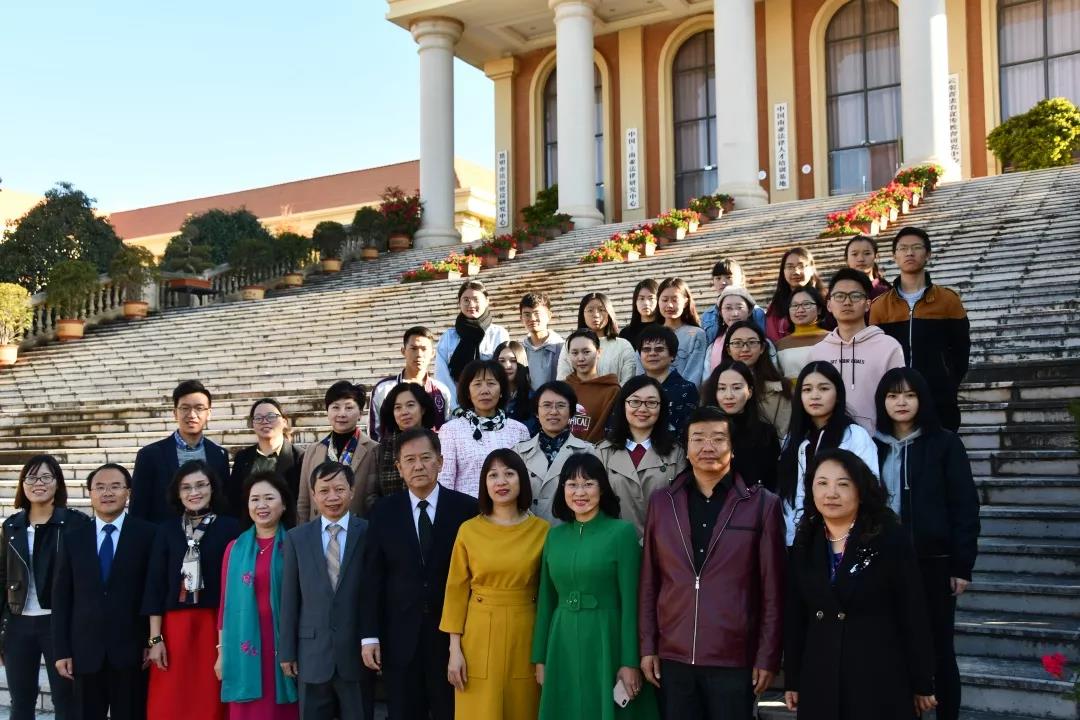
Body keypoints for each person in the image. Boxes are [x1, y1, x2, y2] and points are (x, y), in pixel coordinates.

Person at [639, 407, 785, 718]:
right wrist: (648, 645)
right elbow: (650, 582)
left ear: (732, 448)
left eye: (718, 439)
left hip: (734, 657)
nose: (708, 446)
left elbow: (773, 590)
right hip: (673, 656)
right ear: (686, 448)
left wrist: (768, 655)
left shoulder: (762, 505)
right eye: (698, 439)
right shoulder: (663, 503)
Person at [783, 449, 936, 720]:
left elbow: (913, 611)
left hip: (877, 675)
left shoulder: (889, 538)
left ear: (861, 491)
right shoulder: (806, 541)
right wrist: (793, 678)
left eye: (843, 484)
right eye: (822, 483)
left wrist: (922, 680)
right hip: (821, 674)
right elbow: (796, 617)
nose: (831, 493)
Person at [874, 367, 981, 720]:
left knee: (939, 650)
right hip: (885, 564)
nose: (901, 402)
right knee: (894, 647)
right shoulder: (871, 445)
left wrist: (961, 564)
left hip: (934, 562)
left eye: (909, 395)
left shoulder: (945, 444)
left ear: (922, 399)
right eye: (892, 396)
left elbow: (964, 505)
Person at [361, 428, 478, 720]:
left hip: (453, 639)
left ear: (440, 461)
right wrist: (369, 636)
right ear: (399, 467)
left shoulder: (466, 509)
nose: (418, 466)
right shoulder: (383, 512)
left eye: (425, 458)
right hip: (399, 637)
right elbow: (372, 578)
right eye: (409, 460)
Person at [531, 454, 658, 720]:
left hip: (607, 640)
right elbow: (546, 600)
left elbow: (632, 603)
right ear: (562, 490)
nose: (580, 492)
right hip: (562, 642)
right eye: (572, 484)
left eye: (588, 484)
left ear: (602, 488)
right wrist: (540, 658)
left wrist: (629, 661)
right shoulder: (554, 536)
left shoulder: (622, 533)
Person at [440, 449, 549, 720]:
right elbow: (455, 593)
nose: (501, 481)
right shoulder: (469, 530)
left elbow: (548, 594)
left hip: (526, 634)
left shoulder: (542, 531)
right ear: (484, 483)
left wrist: (544, 654)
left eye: (509, 474)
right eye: (493, 475)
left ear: (522, 479)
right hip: (477, 635)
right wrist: (454, 651)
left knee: (523, 709)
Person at [53, 463, 157, 720]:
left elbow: (152, 591)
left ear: (128, 492)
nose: (107, 493)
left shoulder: (148, 534)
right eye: (99, 487)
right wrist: (62, 650)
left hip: (132, 652)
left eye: (115, 486)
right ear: (90, 493)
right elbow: (62, 597)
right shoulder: (73, 538)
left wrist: (151, 640)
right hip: (85, 652)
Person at [143, 461, 241, 720]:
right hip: (174, 628)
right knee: (170, 700)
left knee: (210, 698)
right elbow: (155, 585)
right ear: (177, 493)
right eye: (186, 487)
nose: (194, 492)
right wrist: (155, 640)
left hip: (216, 625)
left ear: (212, 488)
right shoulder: (166, 530)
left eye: (200, 485)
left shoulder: (232, 528)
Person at [279, 462, 370, 720]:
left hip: (356, 653)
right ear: (313, 494)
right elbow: (290, 599)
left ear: (352, 491)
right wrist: (286, 651)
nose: (332, 497)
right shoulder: (297, 538)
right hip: (311, 654)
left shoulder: (367, 532)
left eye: (339, 489)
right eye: (324, 490)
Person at [0, 455, 88, 720]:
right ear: (22, 484)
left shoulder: (75, 523)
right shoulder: (11, 526)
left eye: (46, 477)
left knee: (66, 700)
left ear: (57, 483)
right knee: (21, 701)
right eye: (31, 477)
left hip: (58, 624)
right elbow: (3, 576)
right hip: (18, 624)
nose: (38, 483)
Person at [870, 226, 971, 431]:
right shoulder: (880, 306)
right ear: (894, 256)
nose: (909, 253)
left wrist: (947, 382)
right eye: (903, 248)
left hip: (939, 398)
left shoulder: (948, 300)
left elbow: (961, 350)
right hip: (895, 399)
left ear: (928, 254)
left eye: (916, 247)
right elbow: (875, 354)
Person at [217, 471, 299, 720]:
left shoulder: (296, 543)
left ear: (284, 504)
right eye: (255, 499)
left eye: (269, 498)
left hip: (284, 641)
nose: (261, 505)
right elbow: (224, 606)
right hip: (243, 644)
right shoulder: (234, 548)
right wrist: (221, 652)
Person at [777, 361, 879, 546]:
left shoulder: (854, 435)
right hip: (796, 540)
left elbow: (870, 489)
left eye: (823, 388)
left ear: (838, 394)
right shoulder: (793, 439)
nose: (815, 395)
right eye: (807, 390)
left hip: (843, 539)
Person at [808, 267, 905, 432]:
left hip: (878, 439)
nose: (847, 302)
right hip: (829, 439)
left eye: (855, 296)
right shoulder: (817, 352)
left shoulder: (889, 347)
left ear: (867, 304)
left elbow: (899, 397)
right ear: (829, 305)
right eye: (839, 296)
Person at [595, 376, 686, 538]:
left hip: (661, 541)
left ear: (661, 408)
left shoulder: (676, 453)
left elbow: (681, 505)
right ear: (623, 405)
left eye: (651, 403)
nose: (643, 409)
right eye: (635, 402)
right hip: (614, 542)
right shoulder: (603, 451)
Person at [131, 379, 230, 523]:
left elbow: (223, 503)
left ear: (209, 413)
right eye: (185, 408)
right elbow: (138, 508)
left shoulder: (218, 454)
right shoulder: (150, 455)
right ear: (175, 413)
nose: (192, 414)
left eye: (199, 408)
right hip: (164, 534)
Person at [437, 359, 531, 497]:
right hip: (467, 508)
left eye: (491, 383)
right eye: (477, 384)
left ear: (501, 390)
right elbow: (445, 481)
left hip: (511, 508)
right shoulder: (451, 431)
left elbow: (526, 478)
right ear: (467, 392)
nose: (485, 391)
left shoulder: (519, 430)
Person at [513, 381, 597, 523]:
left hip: (571, 531)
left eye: (561, 406)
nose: (553, 412)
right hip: (528, 531)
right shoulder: (519, 453)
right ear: (536, 412)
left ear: (571, 412)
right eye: (547, 405)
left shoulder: (588, 452)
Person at [296, 381, 378, 521]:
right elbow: (303, 502)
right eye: (335, 407)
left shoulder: (374, 450)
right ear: (327, 411)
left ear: (360, 413)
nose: (342, 414)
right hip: (318, 528)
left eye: (349, 407)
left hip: (358, 529)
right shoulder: (312, 451)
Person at [703, 361, 781, 493]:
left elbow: (771, 484)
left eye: (736, 388)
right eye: (722, 388)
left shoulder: (766, 434)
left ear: (749, 392)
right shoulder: (701, 433)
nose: (729, 396)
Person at [435, 281, 510, 409]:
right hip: (457, 406)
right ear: (459, 303)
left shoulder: (499, 334)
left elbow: (504, 372)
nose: (471, 304)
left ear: (487, 301)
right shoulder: (448, 336)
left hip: (491, 404)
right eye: (466, 300)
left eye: (476, 299)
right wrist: (456, 406)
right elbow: (442, 375)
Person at [369, 327, 451, 441]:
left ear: (432, 353)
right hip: (391, 451)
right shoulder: (383, 389)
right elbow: (374, 434)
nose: (419, 354)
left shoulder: (441, 390)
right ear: (403, 351)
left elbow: (446, 431)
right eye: (413, 348)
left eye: (424, 349)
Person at [229, 398, 305, 512]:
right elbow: (233, 498)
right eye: (258, 418)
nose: (265, 421)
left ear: (284, 421)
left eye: (271, 416)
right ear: (252, 423)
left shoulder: (300, 457)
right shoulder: (242, 458)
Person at [719, 320, 791, 436]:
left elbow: (783, 433)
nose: (745, 349)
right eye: (737, 343)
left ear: (762, 348)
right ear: (728, 350)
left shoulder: (781, 389)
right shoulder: (714, 385)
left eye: (752, 342)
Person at [375, 382, 439, 497]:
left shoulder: (439, 441)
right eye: (398, 407)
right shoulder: (382, 448)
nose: (404, 412)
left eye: (410, 405)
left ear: (423, 409)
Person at [557, 293, 638, 383]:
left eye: (601, 310)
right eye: (590, 310)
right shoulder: (570, 344)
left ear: (609, 313)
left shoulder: (623, 345)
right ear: (582, 314)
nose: (596, 315)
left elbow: (628, 381)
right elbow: (562, 379)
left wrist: (613, 392)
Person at [637, 325, 698, 436]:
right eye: (646, 349)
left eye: (659, 349)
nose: (652, 353)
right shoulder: (632, 388)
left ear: (672, 355)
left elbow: (688, 432)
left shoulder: (687, 389)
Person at [563, 329, 621, 444]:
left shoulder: (612, 390)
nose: (580, 358)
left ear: (598, 352)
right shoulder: (562, 388)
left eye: (586, 352)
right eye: (574, 353)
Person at [765, 248, 827, 343]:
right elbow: (774, 341)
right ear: (783, 271)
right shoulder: (775, 307)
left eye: (801, 266)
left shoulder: (827, 300)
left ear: (811, 269)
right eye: (790, 267)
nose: (796, 272)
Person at [701, 258, 766, 345]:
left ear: (741, 279)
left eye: (728, 277)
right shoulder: (708, 316)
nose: (723, 282)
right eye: (718, 278)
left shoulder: (757, 312)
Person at [656, 277, 707, 387]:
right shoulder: (650, 334)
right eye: (664, 300)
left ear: (685, 302)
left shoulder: (697, 334)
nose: (669, 305)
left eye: (675, 300)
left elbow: (694, 374)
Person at [774, 286, 829, 385]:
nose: (800, 310)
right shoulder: (779, 346)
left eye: (806, 304)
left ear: (819, 309)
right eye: (794, 305)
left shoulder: (832, 339)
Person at [703, 286, 759, 378]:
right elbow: (707, 380)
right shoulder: (712, 348)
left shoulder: (762, 342)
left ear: (749, 311)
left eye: (739, 307)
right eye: (728, 308)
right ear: (720, 312)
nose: (734, 314)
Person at [520, 293, 565, 392]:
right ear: (521, 318)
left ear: (549, 315)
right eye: (527, 314)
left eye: (537, 313)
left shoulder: (562, 348)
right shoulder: (520, 351)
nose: (532, 319)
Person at [494, 340, 536, 428]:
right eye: (502, 361)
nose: (507, 366)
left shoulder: (532, 398)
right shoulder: (488, 396)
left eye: (513, 361)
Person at [844, 235, 890, 301]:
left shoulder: (887, 292)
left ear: (876, 257)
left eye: (867, 253)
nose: (861, 259)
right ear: (847, 259)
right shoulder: (836, 291)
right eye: (854, 254)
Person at [618, 279, 661, 350]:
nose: (646, 303)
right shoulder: (625, 333)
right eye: (641, 298)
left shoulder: (665, 329)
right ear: (635, 302)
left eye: (651, 298)